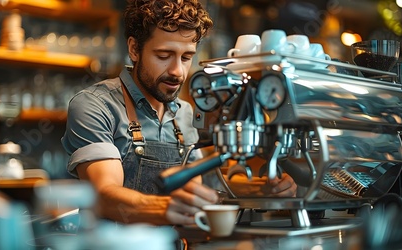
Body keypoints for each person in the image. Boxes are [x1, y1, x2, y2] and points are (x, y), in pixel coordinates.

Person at [61, 0, 297, 226]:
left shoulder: (184, 113)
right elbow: (104, 196)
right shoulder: (95, 105)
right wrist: (166, 209)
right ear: (134, 49)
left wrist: (261, 189)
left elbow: (198, 184)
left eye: (186, 58)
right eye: (163, 56)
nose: (177, 71)